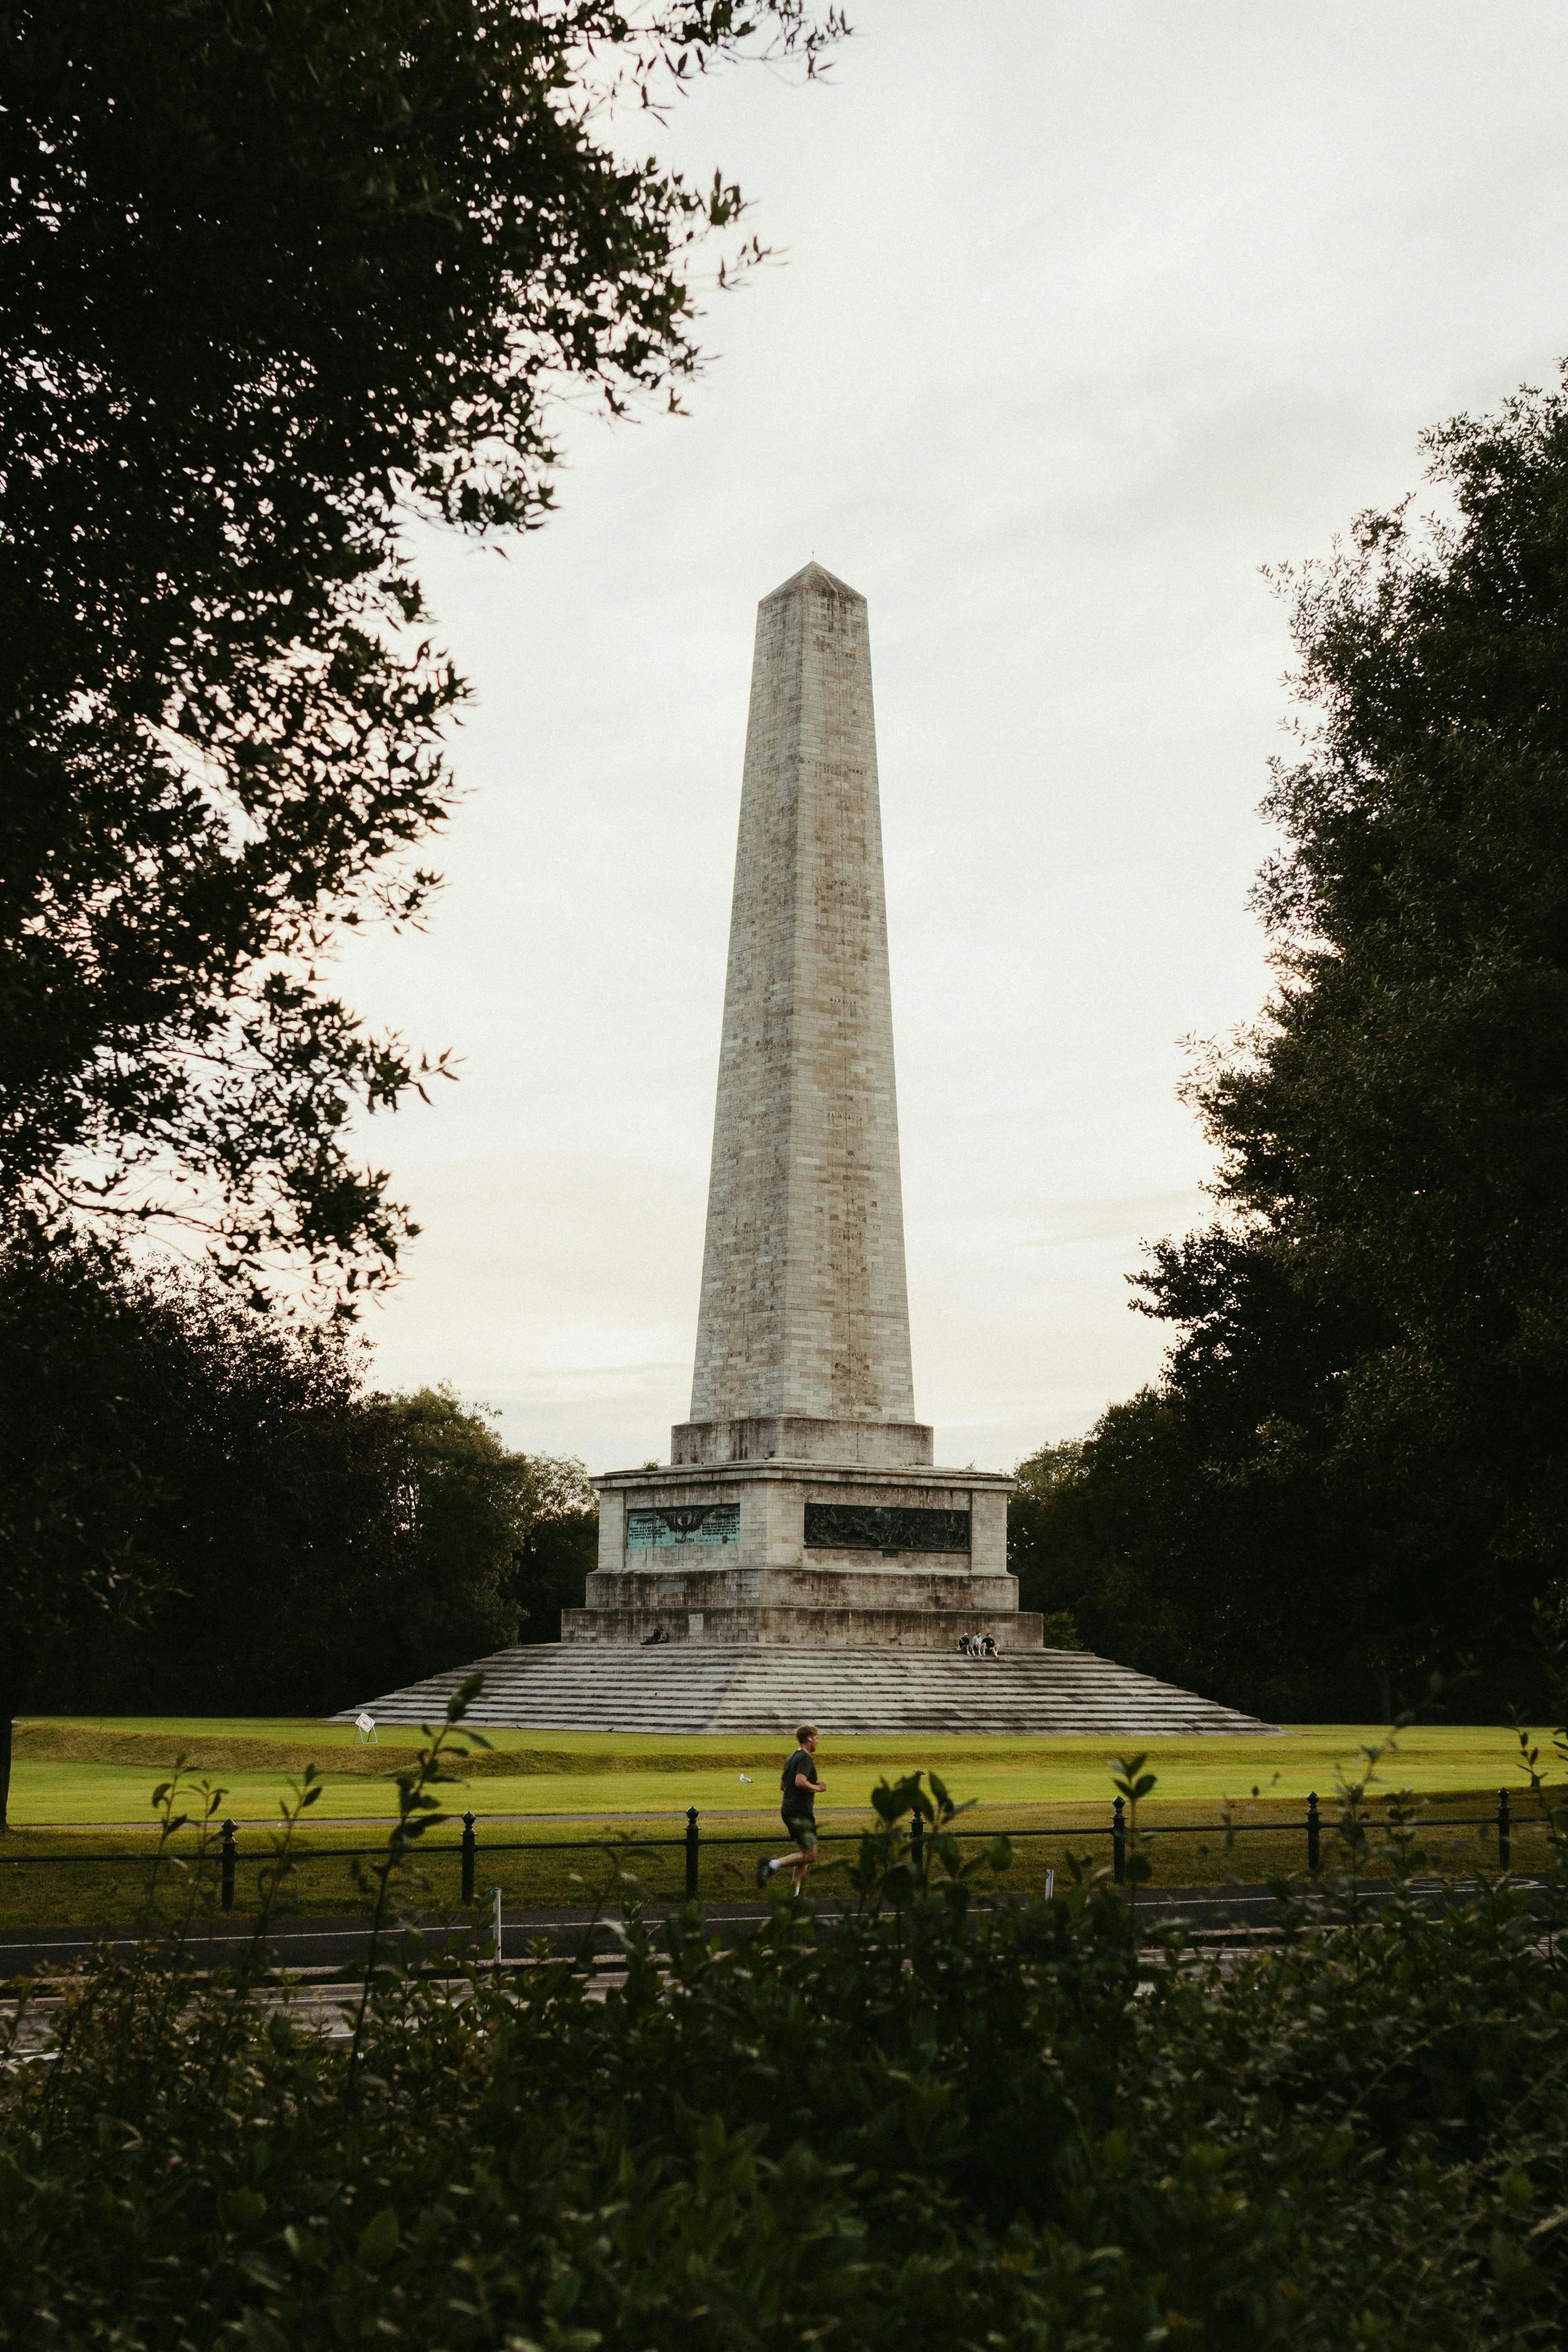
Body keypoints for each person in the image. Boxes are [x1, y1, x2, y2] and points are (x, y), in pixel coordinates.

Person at [755, 1723, 825, 1893]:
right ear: (809, 1738)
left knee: (804, 1856)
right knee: (811, 1855)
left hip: (788, 1809)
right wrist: (818, 1788)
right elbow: (799, 1781)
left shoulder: (792, 1757)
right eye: (817, 1738)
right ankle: (772, 1864)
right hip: (800, 1812)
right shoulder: (805, 1758)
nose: (818, 1742)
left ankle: (794, 1894)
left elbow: (782, 1785)